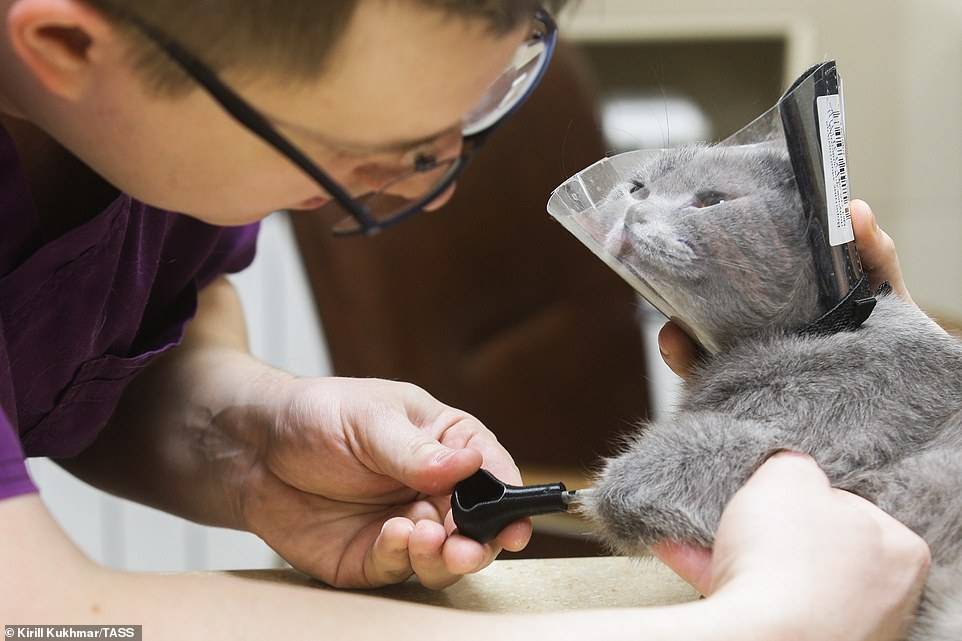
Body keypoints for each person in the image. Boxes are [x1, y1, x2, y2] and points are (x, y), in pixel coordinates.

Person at [0, 1, 928, 639]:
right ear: (70, 48)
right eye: (369, 161)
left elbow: (130, 307)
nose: (431, 198)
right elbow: (37, 612)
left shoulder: (148, 122)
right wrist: (758, 625)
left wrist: (240, 434)